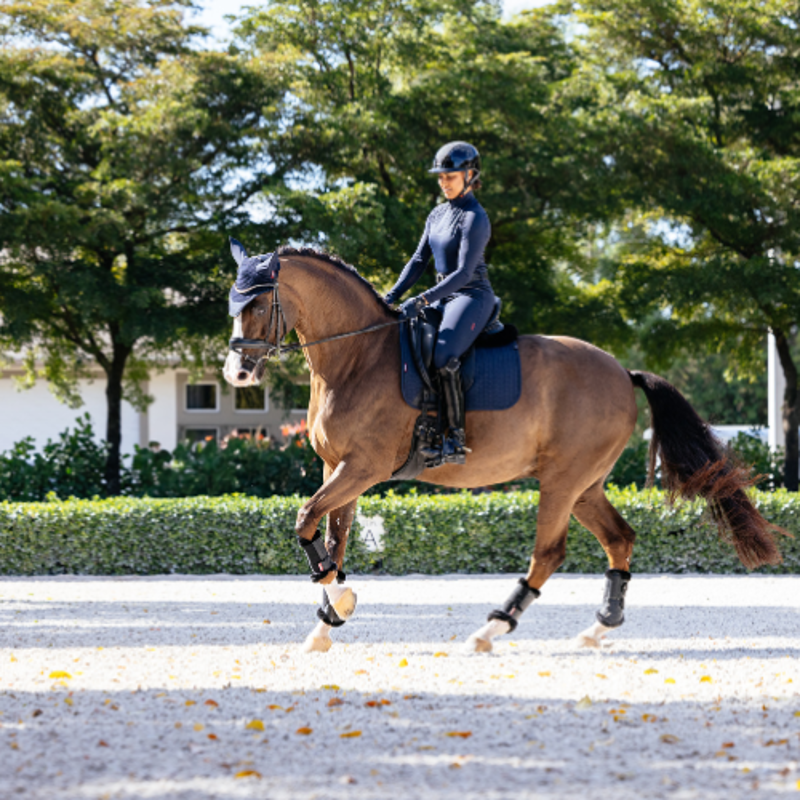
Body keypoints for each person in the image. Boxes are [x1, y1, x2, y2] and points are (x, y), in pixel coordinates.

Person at [384, 141, 495, 464]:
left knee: (444, 354)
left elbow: (463, 273)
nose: (444, 182)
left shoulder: (475, 217)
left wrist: (421, 299)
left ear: (470, 175)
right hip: (443, 295)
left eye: (451, 176)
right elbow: (419, 261)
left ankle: (454, 438)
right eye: (441, 177)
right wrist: (390, 297)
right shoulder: (437, 214)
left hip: (471, 294)